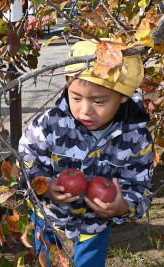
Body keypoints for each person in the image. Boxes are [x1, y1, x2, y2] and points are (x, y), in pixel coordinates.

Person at [18, 40, 153, 266]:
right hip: (48, 220)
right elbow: (25, 163)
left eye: (99, 101)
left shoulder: (136, 138)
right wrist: (44, 186)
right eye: (76, 98)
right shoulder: (49, 125)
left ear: (123, 96)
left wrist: (124, 206)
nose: (84, 110)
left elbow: (140, 186)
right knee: (45, 262)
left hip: (94, 227)